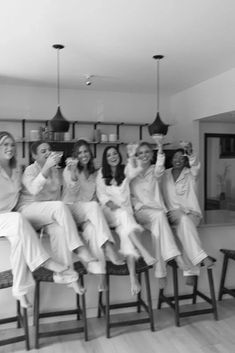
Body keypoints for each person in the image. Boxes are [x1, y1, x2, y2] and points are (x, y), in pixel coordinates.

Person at [0, 131, 80, 308]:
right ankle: (45, 261)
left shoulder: (16, 170)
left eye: (12, 144)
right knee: (18, 219)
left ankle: (21, 290)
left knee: (21, 243)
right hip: (4, 217)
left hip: (12, 218)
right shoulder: (27, 169)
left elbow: (26, 193)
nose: (10, 148)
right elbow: (33, 190)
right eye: (5, 144)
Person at [16, 140, 95, 294]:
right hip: (28, 211)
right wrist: (46, 168)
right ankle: (78, 247)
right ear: (34, 156)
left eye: (49, 150)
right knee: (59, 206)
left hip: (45, 214)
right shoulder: (30, 170)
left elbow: (58, 196)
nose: (48, 153)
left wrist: (70, 170)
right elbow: (33, 190)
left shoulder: (55, 172)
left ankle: (69, 276)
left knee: (59, 231)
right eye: (43, 151)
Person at [62, 139, 124, 291]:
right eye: (80, 152)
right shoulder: (68, 170)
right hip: (71, 211)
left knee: (93, 231)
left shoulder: (95, 173)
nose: (84, 154)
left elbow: (97, 195)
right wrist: (74, 172)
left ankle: (101, 276)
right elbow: (73, 189)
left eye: (86, 151)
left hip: (88, 214)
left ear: (90, 153)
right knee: (93, 206)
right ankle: (109, 247)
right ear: (75, 155)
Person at [96, 145, 156, 296]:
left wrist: (131, 155)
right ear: (105, 158)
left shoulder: (125, 170)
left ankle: (132, 278)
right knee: (124, 215)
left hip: (125, 217)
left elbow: (136, 170)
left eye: (115, 153)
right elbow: (102, 197)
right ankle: (143, 251)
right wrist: (114, 206)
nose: (113, 156)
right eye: (109, 155)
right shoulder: (101, 173)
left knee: (125, 233)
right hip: (109, 213)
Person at [130, 139, 187, 289]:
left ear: (151, 154)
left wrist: (160, 148)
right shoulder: (131, 172)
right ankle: (176, 256)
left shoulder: (155, 170)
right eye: (140, 153)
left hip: (157, 213)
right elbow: (129, 195)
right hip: (141, 213)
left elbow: (160, 167)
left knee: (158, 231)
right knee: (160, 219)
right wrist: (138, 207)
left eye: (147, 152)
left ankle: (161, 272)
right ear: (136, 155)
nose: (144, 155)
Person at [161, 143, 214, 285]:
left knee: (185, 224)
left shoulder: (191, 174)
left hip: (192, 214)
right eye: (175, 157)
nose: (178, 160)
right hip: (172, 214)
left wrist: (190, 153)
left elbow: (196, 166)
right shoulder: (164, 175)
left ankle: (194, 266)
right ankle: (199, 259)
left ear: (186, 161)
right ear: (171, 160)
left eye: (182, 158)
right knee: (184, 223)